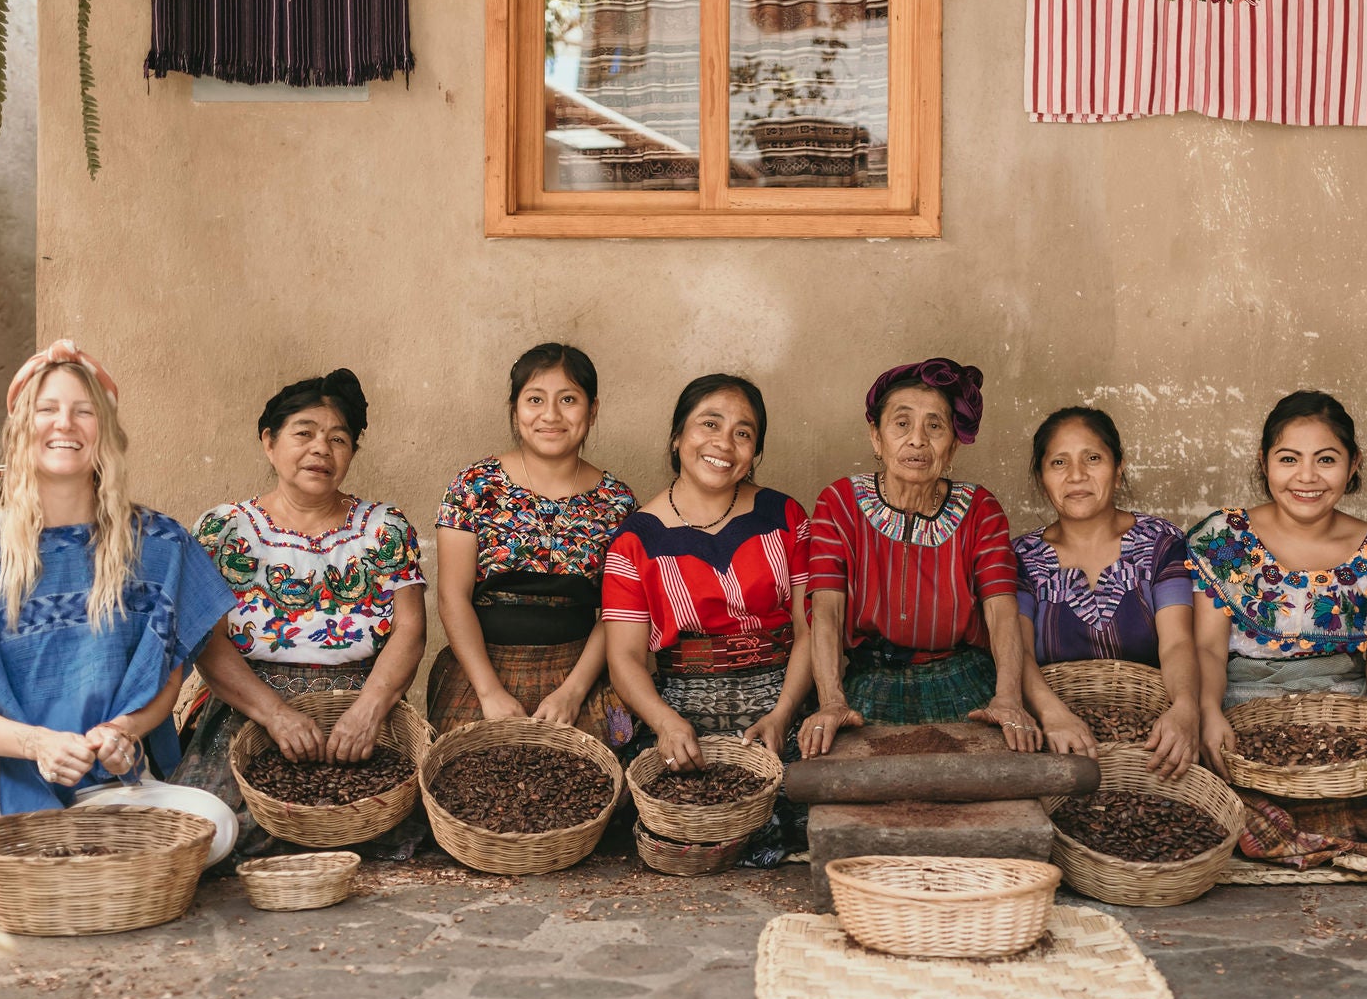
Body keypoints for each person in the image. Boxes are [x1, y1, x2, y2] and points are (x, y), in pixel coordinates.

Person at [0, 340, 240, 862]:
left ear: (106, 433)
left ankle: (20, 856)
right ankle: (18, 848)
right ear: (21, 430)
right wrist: (36, 744)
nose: (65, 424)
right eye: (48, 410)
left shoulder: (160, 546)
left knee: (213, 826)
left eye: (84, 411)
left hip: (97, 781)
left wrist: (124, 731)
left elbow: (167, 680)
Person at [1188, 391, 1367, 868]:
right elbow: (1206, 650)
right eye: (1288, 459)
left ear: (1353, 465)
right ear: (1264, 463)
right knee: (1212, 802)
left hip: (1347, 725)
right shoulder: (1223, 538)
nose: (1307, 477)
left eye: (1326, 459)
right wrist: (1208, 712)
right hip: (1245, 712)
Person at [172, 369, 428, 859]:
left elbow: (411, 629)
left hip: (355, 710)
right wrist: (277, 715)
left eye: (338, 439)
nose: (321, 450)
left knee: (376, 825)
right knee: (217, 835)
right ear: (269, 442)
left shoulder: (384, 528)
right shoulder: (225, 529)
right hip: (249, 709)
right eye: (304, 433)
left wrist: (368, 711)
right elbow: (209, 641)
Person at [602, 375, 815, 860]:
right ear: (677, 436)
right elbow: (626, 659)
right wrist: (666, 723)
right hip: (684, 712)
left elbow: (811, 629)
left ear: (755, 451)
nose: (724, 442)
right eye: (709, 424)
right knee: (687, 823)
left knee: (808, 813)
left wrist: (781, 716)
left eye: (743, 432)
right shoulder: (635, 542)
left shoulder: (786, 517)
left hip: (784, 698)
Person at [798, 358, 1039, 756]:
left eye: (935, 426)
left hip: (965, 678)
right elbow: (826, 611)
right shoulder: (839, 502)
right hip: (869, 681)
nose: (917, 440)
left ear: (954, 444)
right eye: (901, 423)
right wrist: (831, 702)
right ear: (876, 437)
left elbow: (1000, 611)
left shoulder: (980, 509)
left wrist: (1008, 698)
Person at [430, 343, 637, 745]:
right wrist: (489, 692)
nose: (551, 415)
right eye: (535, 399)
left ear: (592, 410)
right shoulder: (473, 486)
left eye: (569, 400)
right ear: (514, 408)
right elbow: (451, 597)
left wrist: (573, 692)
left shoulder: (618, 502)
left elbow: (618, 610)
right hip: (481, 670)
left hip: (581, 672)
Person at [1012, 406, 1202, 770]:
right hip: (1054, 742)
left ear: (1118, 469)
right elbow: (1015, 652)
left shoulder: (1159, 544)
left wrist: (1185, 709)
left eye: (1093, 458)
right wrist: (1054, 715)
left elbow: (1178, 642)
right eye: (1058, 463)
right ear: (1041, 478)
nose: (1077, 476)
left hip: (1150, 746)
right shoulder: (1021, 558)